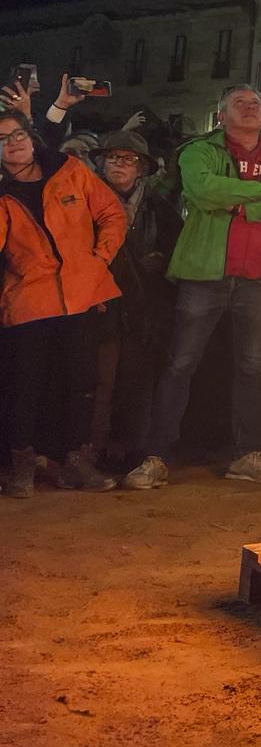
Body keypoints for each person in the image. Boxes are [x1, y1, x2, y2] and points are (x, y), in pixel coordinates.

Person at [124, 85, 261, 490]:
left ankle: (248, 454)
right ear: (221, 115)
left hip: (260, 278)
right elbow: (203, 189)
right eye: (239, 103)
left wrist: (239, 204)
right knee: (180, 363)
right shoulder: (198, 150)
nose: (249, 108)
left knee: (252, 367)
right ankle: (156, 456)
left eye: (255, 103)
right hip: (205, 274)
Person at [0, 109, 127, 496]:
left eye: (18, 133)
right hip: (29, 301)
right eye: (3, 138)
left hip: (82, 297)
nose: (15, 142)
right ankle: (22, 466)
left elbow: (111, 213)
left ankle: (75, 461)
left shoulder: (69, 169)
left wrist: (98, 261)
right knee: (25, 386)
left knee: (80, 384)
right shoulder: (3, 192)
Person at [92, 131, 181, 464]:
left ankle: (132, 451)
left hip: (145, 309)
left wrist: (158, 265)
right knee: (100, 381)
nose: (120, 164)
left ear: (142, 168)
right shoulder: (88, 202)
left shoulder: (159, 209)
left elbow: (175, 253)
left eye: (129, 158)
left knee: (137, 382)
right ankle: (95, 450)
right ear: (101, 162)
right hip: (101, 306)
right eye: (114, 157)